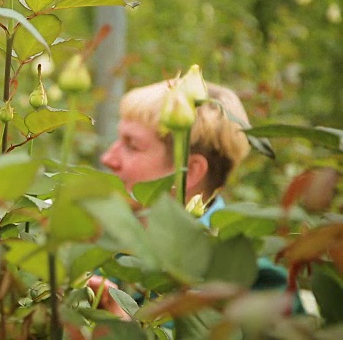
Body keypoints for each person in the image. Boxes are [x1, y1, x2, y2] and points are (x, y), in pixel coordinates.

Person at [90, 73, 301, 320]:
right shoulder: (105, 246)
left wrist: (124, 328)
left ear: (189, 172)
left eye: (131, 145)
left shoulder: (256, 283)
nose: (108, 158)